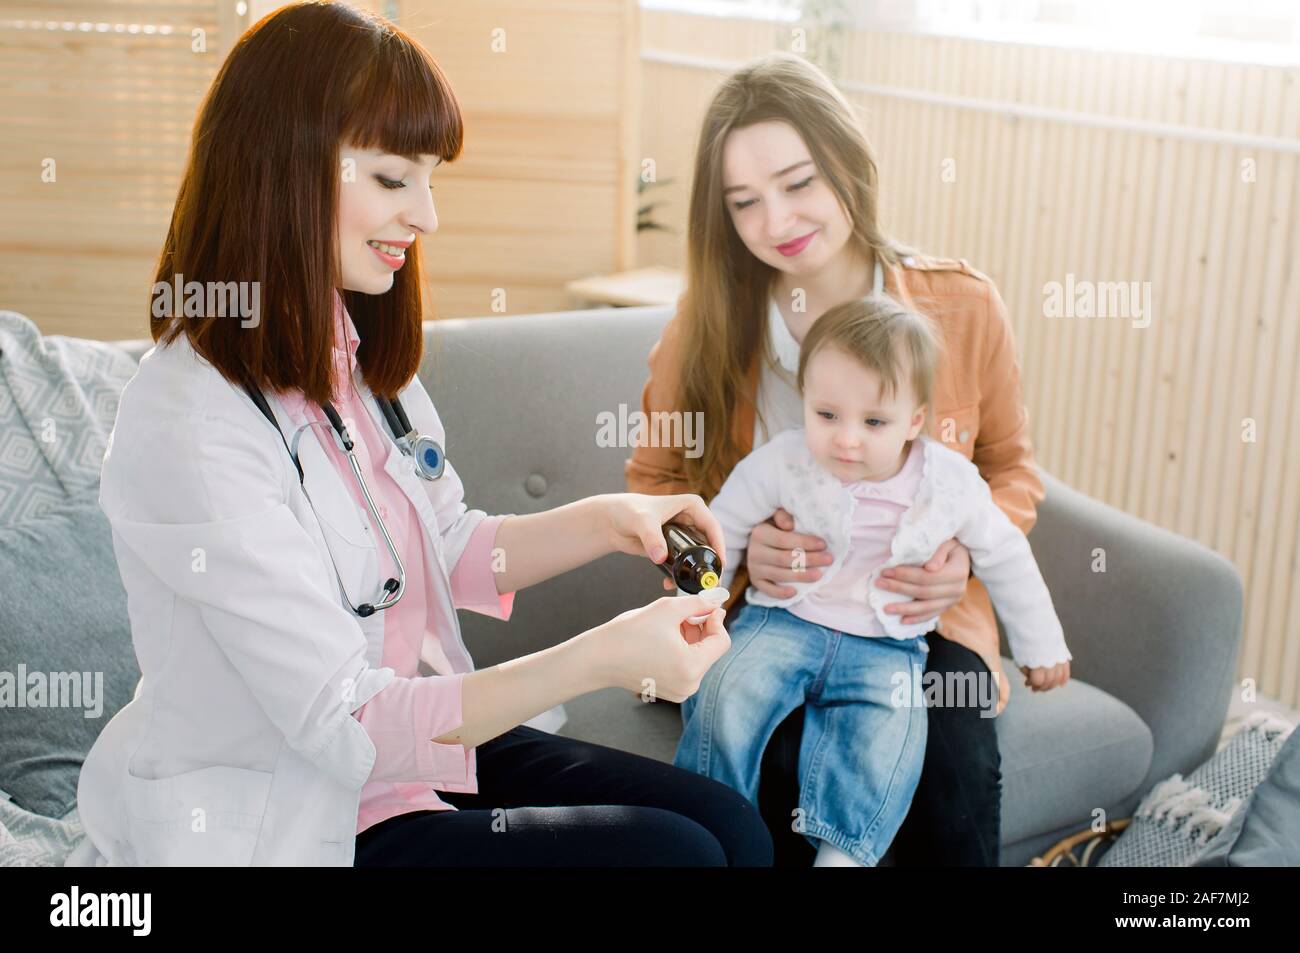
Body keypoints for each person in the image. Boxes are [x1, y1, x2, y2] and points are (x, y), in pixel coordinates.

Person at [70, 1, 772, 868]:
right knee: (680, 857)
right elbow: (345, 723)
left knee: (735, 830)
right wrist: (602, 658)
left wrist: (611, 519)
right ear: (279, 167)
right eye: (395, 180)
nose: (427, 216)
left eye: (430, 179)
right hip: (301, 808)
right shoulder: (190, 421)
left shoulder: (350, 356)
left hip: (422, 754)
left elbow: (446, 543)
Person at [627, 51, 1049, 866]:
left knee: (953, 767)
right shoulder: (702, 331)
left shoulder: (961, 307)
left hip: (922, 619)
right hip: (776, 617)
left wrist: (960, 555)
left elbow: (1011, 464)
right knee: (781, 764)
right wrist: (729, 565)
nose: (776, 220)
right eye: (743, 202)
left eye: (798, 182)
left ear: (848, 166)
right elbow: (654, 486)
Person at [673, 296, 1071, 867]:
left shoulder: (949, 483)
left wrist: (1041, 646)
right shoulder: (784, 461)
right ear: (805, 400)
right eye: (827, 415)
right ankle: (709, 819)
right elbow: (722, 523)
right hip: (783, 622)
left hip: (887, 646)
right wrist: (693, 601)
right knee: (724, 693)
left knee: (886, 740)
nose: (846, 440)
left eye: (874, 422)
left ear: (914, 420)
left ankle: (844, 853)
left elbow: (1007, 554)